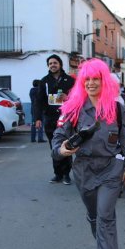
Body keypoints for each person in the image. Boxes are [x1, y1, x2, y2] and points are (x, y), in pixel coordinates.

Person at [52, 58, 125, 249]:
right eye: (87, 79)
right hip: (84, 170)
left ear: (104, 81)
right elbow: (58, 137)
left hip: (111, 168)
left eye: (95, 79)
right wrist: (61, 149)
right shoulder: (73, 109)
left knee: (105, 214)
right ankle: (104, 246)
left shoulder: (117, 108)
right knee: (94, 216)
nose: (91, 83)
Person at [35, 54, 75, 184]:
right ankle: (57, 174)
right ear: (48, 66)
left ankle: (66, 174)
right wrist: (38, 118)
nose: (53, 65)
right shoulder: (44, 81)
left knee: (67, 145)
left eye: (55, 63)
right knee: (54, 146)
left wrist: (67, 98)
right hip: (50, 119)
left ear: (60, 64)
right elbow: (39, 101)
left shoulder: (69, 80)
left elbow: (78, 98)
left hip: (66, 118)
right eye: (50, 63)